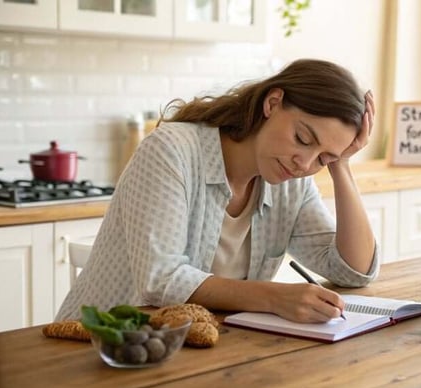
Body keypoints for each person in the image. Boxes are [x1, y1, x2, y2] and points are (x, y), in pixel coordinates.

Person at [55, 59, 378, 323]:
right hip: (100, 346)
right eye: (303, 139)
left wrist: (341, 164)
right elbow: (160, 279)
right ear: (273, 102)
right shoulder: (171, 150)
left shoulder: (292, 182)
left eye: (323, 157)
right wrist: (275, 296)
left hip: (196, 348)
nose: (304, 163)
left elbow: (352, 272)